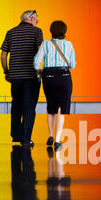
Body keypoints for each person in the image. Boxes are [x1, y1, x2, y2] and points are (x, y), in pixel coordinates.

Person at [1, 10, 43, 148]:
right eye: (36, 19)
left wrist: (6, 71)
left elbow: (3, 55)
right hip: (31, 76)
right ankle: (25, 139)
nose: (37, 22)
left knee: (16, 105)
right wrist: (39, 69)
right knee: (29, 108)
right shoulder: (37, 32)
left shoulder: (10, 32)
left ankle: (16, 135)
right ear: (31, 19)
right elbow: (40, 51)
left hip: (15, 77)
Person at [34, 20, 76, 151]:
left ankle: (50, 135)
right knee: (61, 110)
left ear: (51, 31)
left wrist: (41, 71)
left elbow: (36, 63)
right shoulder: (68, 44)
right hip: (64, 77)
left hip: (49, 77)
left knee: (51, 107)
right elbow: (73, 65)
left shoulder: (45, 44)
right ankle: (57, 140)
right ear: (64, 31)